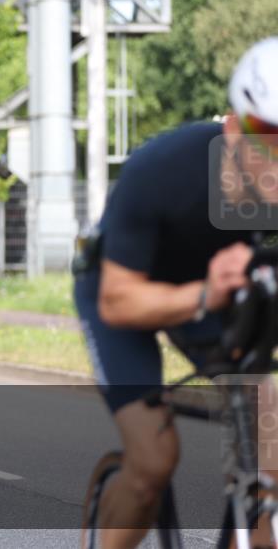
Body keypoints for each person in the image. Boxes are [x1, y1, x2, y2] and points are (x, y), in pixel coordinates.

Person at [74, 37, 278, 548]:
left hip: (221, 295)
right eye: (267, 135)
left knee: (269, 452)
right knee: (153, 460)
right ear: (233, 129)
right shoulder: (163, 170)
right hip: (120, 290)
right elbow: (117, 302)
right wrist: (203, 293)